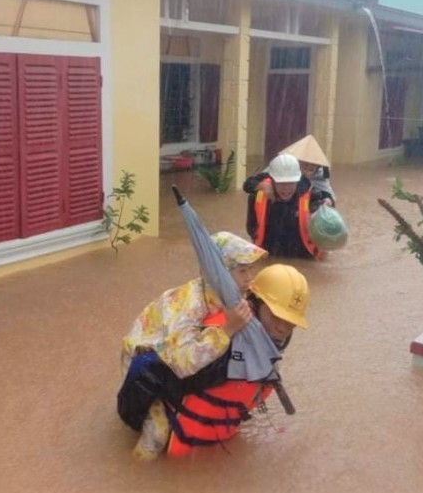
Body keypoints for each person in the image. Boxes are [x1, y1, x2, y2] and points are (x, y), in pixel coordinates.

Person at [117, 233, 309, 461]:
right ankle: (137, 470)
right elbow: (181, 363)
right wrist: (227, 330)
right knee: (156, 433)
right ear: (218, 273)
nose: (250, 279)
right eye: (241, 271)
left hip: (177, 350)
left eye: (251, 269)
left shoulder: (234, 293)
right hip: (148, 359)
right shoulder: (190, 305)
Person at [243, 153, 331, 260]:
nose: (286, 189)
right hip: (269, 256)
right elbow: (247, 185)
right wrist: (262, 185)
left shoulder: (312, 197)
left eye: (290, 183)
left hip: (302, 257)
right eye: (281, 183)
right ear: (272, 180)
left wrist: (319, 215)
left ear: (297, 181)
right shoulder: (260, 195)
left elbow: (328, 239)